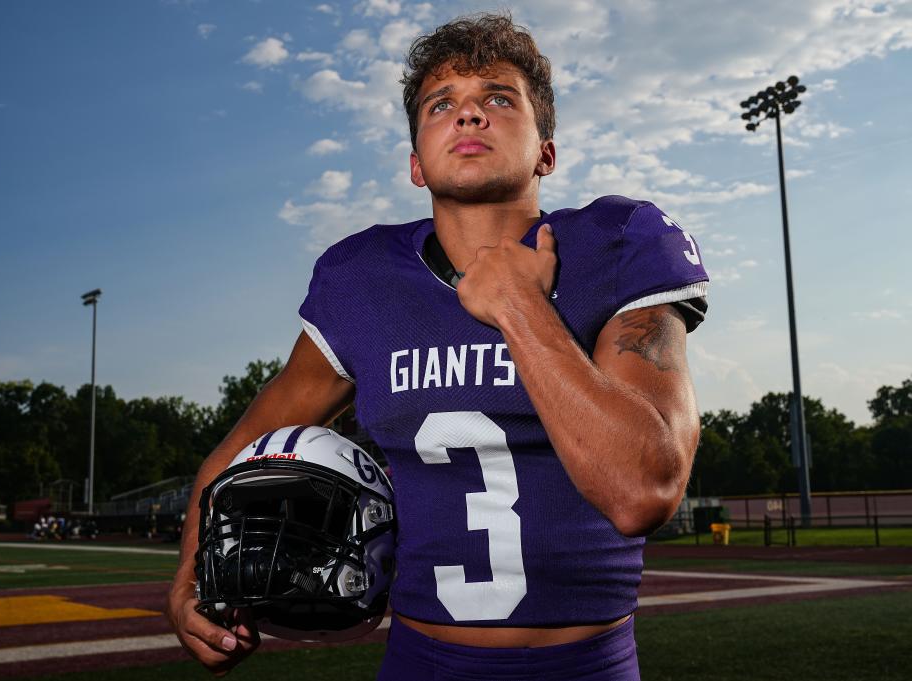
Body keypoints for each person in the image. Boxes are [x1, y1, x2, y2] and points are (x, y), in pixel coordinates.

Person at [168, 13, 708, 680]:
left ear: (546, 151)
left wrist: (519, 307)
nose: (469, 115)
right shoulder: (361, 279)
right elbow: (244, 450)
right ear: (416, 164)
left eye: (498, 98)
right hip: (421, 660)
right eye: (441, 104)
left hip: (588, 664)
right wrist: (190, 574)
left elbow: (643, 488)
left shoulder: (617, 241)